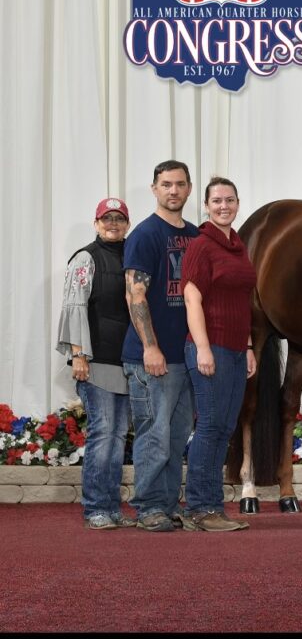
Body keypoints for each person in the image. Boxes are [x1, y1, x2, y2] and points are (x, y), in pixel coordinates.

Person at [122, 160, 200, 532]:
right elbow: (134, 294)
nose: (173, 191)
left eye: (180, 184)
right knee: (155, 434)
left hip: (185, 356)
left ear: (188, 189)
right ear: (154, 188)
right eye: (166, 184)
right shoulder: (146, 234)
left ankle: (168, 504)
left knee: (176, 436)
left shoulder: (197, 236)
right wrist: (150, 347)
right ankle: (149, 506)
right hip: (151, 357)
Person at [180, 177, 257, 532]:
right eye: (216, 201)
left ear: (238, 203)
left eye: (229, 200)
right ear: (207, 206)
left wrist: (249, 347)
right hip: (210, 347)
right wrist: (203, 347)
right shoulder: (201, 245)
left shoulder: (238, 246)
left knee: (224, 427)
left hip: (236, 350)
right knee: (210, 426)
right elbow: (192, 298)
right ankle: (200, 508)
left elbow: (244, 301)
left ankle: (213, 507)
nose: (223, 206)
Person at [56, 198, 135, 529]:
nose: (113, 223)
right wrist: (78, 355)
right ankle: (95, 508)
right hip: (95, 362)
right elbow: (74, 306)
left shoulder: (133, 254)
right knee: (104, 434)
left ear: (127, 224)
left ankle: (111, 507)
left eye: (119, 218)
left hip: (125, 362)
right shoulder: (85, 258)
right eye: (107, 218)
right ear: (96, 223)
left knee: (117, 437)